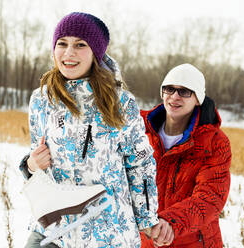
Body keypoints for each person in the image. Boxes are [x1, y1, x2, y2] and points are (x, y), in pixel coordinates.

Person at [19, 12, 159, 248]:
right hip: (54, 230)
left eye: (80, 45)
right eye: (62, 43)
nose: (69, 52)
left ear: (96, 52)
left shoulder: (120, 102)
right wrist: (31, 165)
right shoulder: (41, 100)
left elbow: (140, 164)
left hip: (106, 232)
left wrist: (146, 218)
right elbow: (37, 156)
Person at [139, 63, 231, 247]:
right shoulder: (139, 131)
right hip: (146, 241)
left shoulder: (214, 142)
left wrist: (170, 224)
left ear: (198, 99)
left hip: (194, 241)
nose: (174, 96)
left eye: (184, 91)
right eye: (169, 89)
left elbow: (210, 197)